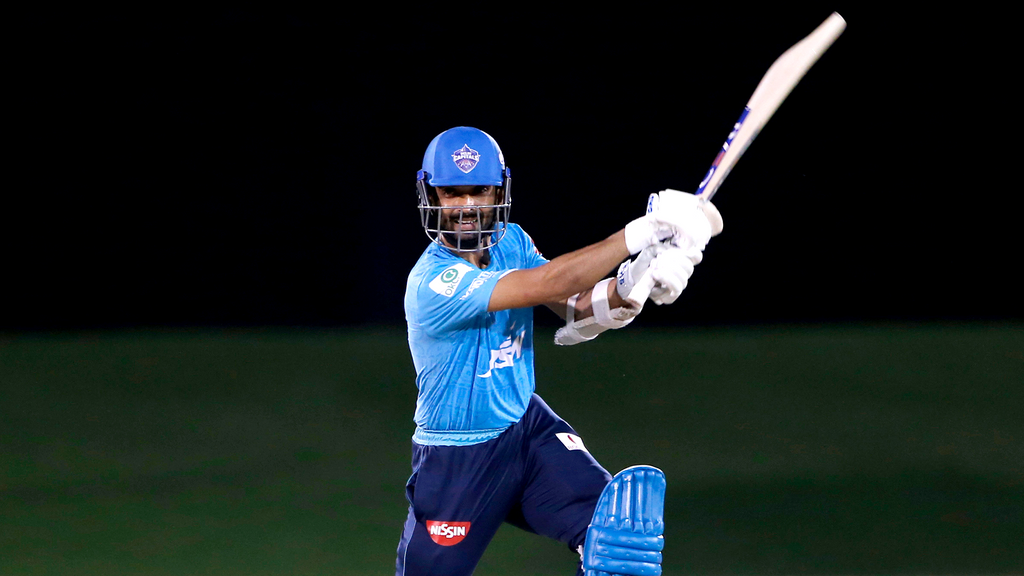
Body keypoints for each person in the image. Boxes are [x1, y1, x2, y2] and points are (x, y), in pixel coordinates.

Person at [395, 126, 722, 575]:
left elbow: (578, 307)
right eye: (452, 193)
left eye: (479, 191)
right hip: (457, 460)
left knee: (617, 540)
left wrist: (641, 277)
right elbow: (550, 283)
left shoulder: (511, 242)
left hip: (525, 432)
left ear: (499, 190)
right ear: (430, 194)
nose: (467, 207)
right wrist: (642, 233)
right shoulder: (432, 282)